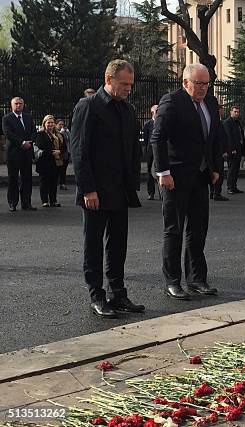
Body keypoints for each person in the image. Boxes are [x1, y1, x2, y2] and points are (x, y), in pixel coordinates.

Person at [71, 59, 144, 318]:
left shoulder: (127, 109)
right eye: (124, 84)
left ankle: (118, 293)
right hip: (96, 192)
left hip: (120, 190)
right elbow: (79, 150)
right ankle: (96, 295)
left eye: (131, 85)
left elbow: (134, 149)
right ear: (108, 79)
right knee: (93, 243)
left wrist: (132, 182)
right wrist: (88, 189)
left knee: (118, 244)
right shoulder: (88, 106)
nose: (128, 89)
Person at [150, 63, 224, 300]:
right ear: (185, 83)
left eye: (206, 84)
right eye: (198, 83)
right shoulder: (172, 102)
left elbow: (214, 138)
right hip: (175, 176)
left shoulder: (211, 103)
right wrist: (163, 172)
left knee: (198, 229)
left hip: (201, 176)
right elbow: (158, 138)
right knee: (174, 229)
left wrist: (214, 168)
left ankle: (197, 278)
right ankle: (173, 280)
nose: (203, 88)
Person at [2, 97, 37, 212]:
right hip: (13, 153)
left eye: (20, 103)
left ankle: (26, 203)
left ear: (23, 105)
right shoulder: (7, 118)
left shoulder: (28, 117)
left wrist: (29, 142)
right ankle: (13, 202)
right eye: (16, 104)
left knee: (27, 178)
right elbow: (8, 134)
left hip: (26, 153)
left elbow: (33, 132)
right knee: (13, 178)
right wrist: (22, 143)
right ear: (11, 105)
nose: (18, 106)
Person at [34, 115, 66, 207]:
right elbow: (41, 146)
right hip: (44, 161)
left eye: (52, 122)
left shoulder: (59, 135)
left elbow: (64, 146)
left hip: (56, 162)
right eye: (48, 123)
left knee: (53, 182)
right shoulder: (40, 134)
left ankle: (53, 200)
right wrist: (53, 152)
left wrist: (59, 151)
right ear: (44, 124)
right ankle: (45, 201)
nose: (50, 124)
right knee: (44, 182)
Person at [223, 105, 245, 194]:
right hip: (232, 150)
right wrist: (231, 149)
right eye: (235, 111)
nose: (237, 113)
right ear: (231, 112)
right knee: (232, 169)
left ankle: (234, 186)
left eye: (238, 112)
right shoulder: (227, 123)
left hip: (239, 148)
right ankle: (230, 187)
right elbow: (228, 137)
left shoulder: (237, 122)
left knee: (236, 169)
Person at [210, 105, 230, 201]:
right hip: (217, 153)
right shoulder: (217, 122)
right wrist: (223, 150)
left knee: (213, 171)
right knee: (219, 172)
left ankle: (212, 192)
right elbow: (221, 138)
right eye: (221, 110)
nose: (223, 112)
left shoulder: (211, 120)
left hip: (212, 152)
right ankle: (217, 193)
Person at [142, 105, 158, 200]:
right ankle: (151, 193)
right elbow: (145, 140)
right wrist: (146, 152)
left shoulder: (162, 122)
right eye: (156, 111)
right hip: (150, 151)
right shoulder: (148, 124)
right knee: (149, 172)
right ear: (152, 113)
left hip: (160, 151)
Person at [56, 119, 71, 190]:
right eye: (60, 124)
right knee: (59, 169)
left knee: (64, 169)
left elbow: (70, 139)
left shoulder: (65, 132)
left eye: (63, 124)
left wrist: (67, 132)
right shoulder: (57, 133)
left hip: (66, 152)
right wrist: (62, 133)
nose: (61, 126)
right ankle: (59, 183)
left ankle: (63, 183)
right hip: (59, 153)